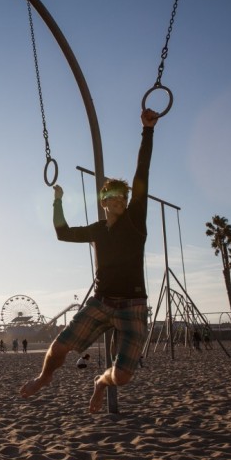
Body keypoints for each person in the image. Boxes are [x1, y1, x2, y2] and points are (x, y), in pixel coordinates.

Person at [20, 108, 159, 413]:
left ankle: (100, 383)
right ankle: (44, 378)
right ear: (103, 201)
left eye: (122, 196)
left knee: (121, 376)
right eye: (112, 196)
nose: (119, 201)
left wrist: (147, 131)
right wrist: (57, 200)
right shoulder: (98, 229)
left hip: (133, 303)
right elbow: (62, 233)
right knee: (59, 347)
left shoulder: (136, 219)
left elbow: (142, 174)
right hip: (102, 301)